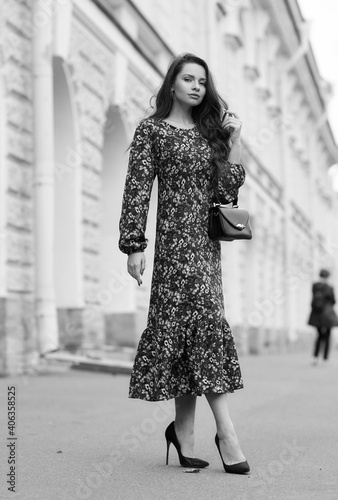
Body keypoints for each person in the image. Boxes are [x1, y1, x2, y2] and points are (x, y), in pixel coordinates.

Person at [118, 53, 249, 474]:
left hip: (206, 250)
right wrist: (134, 245)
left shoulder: (210, 134)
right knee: (183, 334)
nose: (196, 86)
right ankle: (216, 435)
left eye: (202, 81)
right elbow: (137, 187)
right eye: (188, 79)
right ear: (171, 84)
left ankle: (193, 433)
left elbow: (228, 194)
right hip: (173, 251)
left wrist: (234, 140)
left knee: (204, 329)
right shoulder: (151, 130)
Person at [308, 269, 338, 364]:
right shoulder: (329, 288)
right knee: (327, 336)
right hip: (327, 316)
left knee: (319, 336)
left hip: (317, 315)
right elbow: (334, 301)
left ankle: (315, 356)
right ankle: (325, 358)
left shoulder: (315, 286)